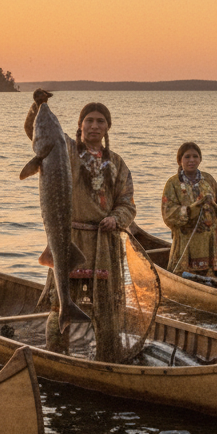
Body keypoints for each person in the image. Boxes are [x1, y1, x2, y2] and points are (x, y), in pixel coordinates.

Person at [65, 102, 136, 362]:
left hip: (105, 244)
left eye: (100, 121)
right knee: (61, 302)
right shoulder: (66, 152)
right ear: (80, 125)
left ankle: (108, 357)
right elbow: (36, 134)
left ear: (108, 127)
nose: (94, 126)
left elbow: (127, 203)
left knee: (106, 306)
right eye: (89, 121)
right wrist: (38, 106)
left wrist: (116, 220)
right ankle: (57, 352)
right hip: (70, 240)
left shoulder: (116, 162)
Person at [161, 142, 217, 278]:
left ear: (200, 159)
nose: (191, 160)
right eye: (187, 157)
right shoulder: (173, 184)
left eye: (195, 156)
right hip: (186, 238)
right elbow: (168, 213)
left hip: (210, 237)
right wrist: (192, 208)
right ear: (179, 160)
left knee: (212, 276)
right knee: (184, 274)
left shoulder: (208, 180)